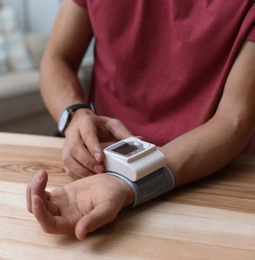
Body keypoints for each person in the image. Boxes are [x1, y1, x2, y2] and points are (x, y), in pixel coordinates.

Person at [26, 0, 255, 240]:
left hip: (211, 178)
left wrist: (131, 181)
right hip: (96, 170)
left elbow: (233, 120)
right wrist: (75, 116)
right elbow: (56, 58)